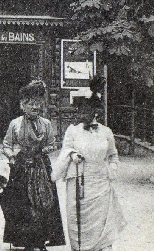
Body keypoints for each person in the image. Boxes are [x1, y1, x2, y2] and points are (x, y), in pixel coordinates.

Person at [52, 91, 126, 251]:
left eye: (85, 110)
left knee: (101, 221)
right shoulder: (72, 130)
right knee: (78, 220)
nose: (81, 114)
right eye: (79, 110)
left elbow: (113, 156)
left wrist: (111, 171)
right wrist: (72, 155)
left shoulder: (106, 132)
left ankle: (103, 246)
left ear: (95, 112)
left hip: (101, 184)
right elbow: (66, 149)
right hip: (79, 181)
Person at [0, 80, 66, 251]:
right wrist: (12, 156)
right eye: (31, 104)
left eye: (38, 104)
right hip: (22, 166)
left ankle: (41, 241)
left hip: (41, 165)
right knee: (23, 204)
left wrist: (44, 149)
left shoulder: (46, 124)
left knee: (44, 202)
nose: (35, 107)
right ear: (23, 106)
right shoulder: (15, 124)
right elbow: (6, 144)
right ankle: (26, 241)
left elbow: (54, 144)